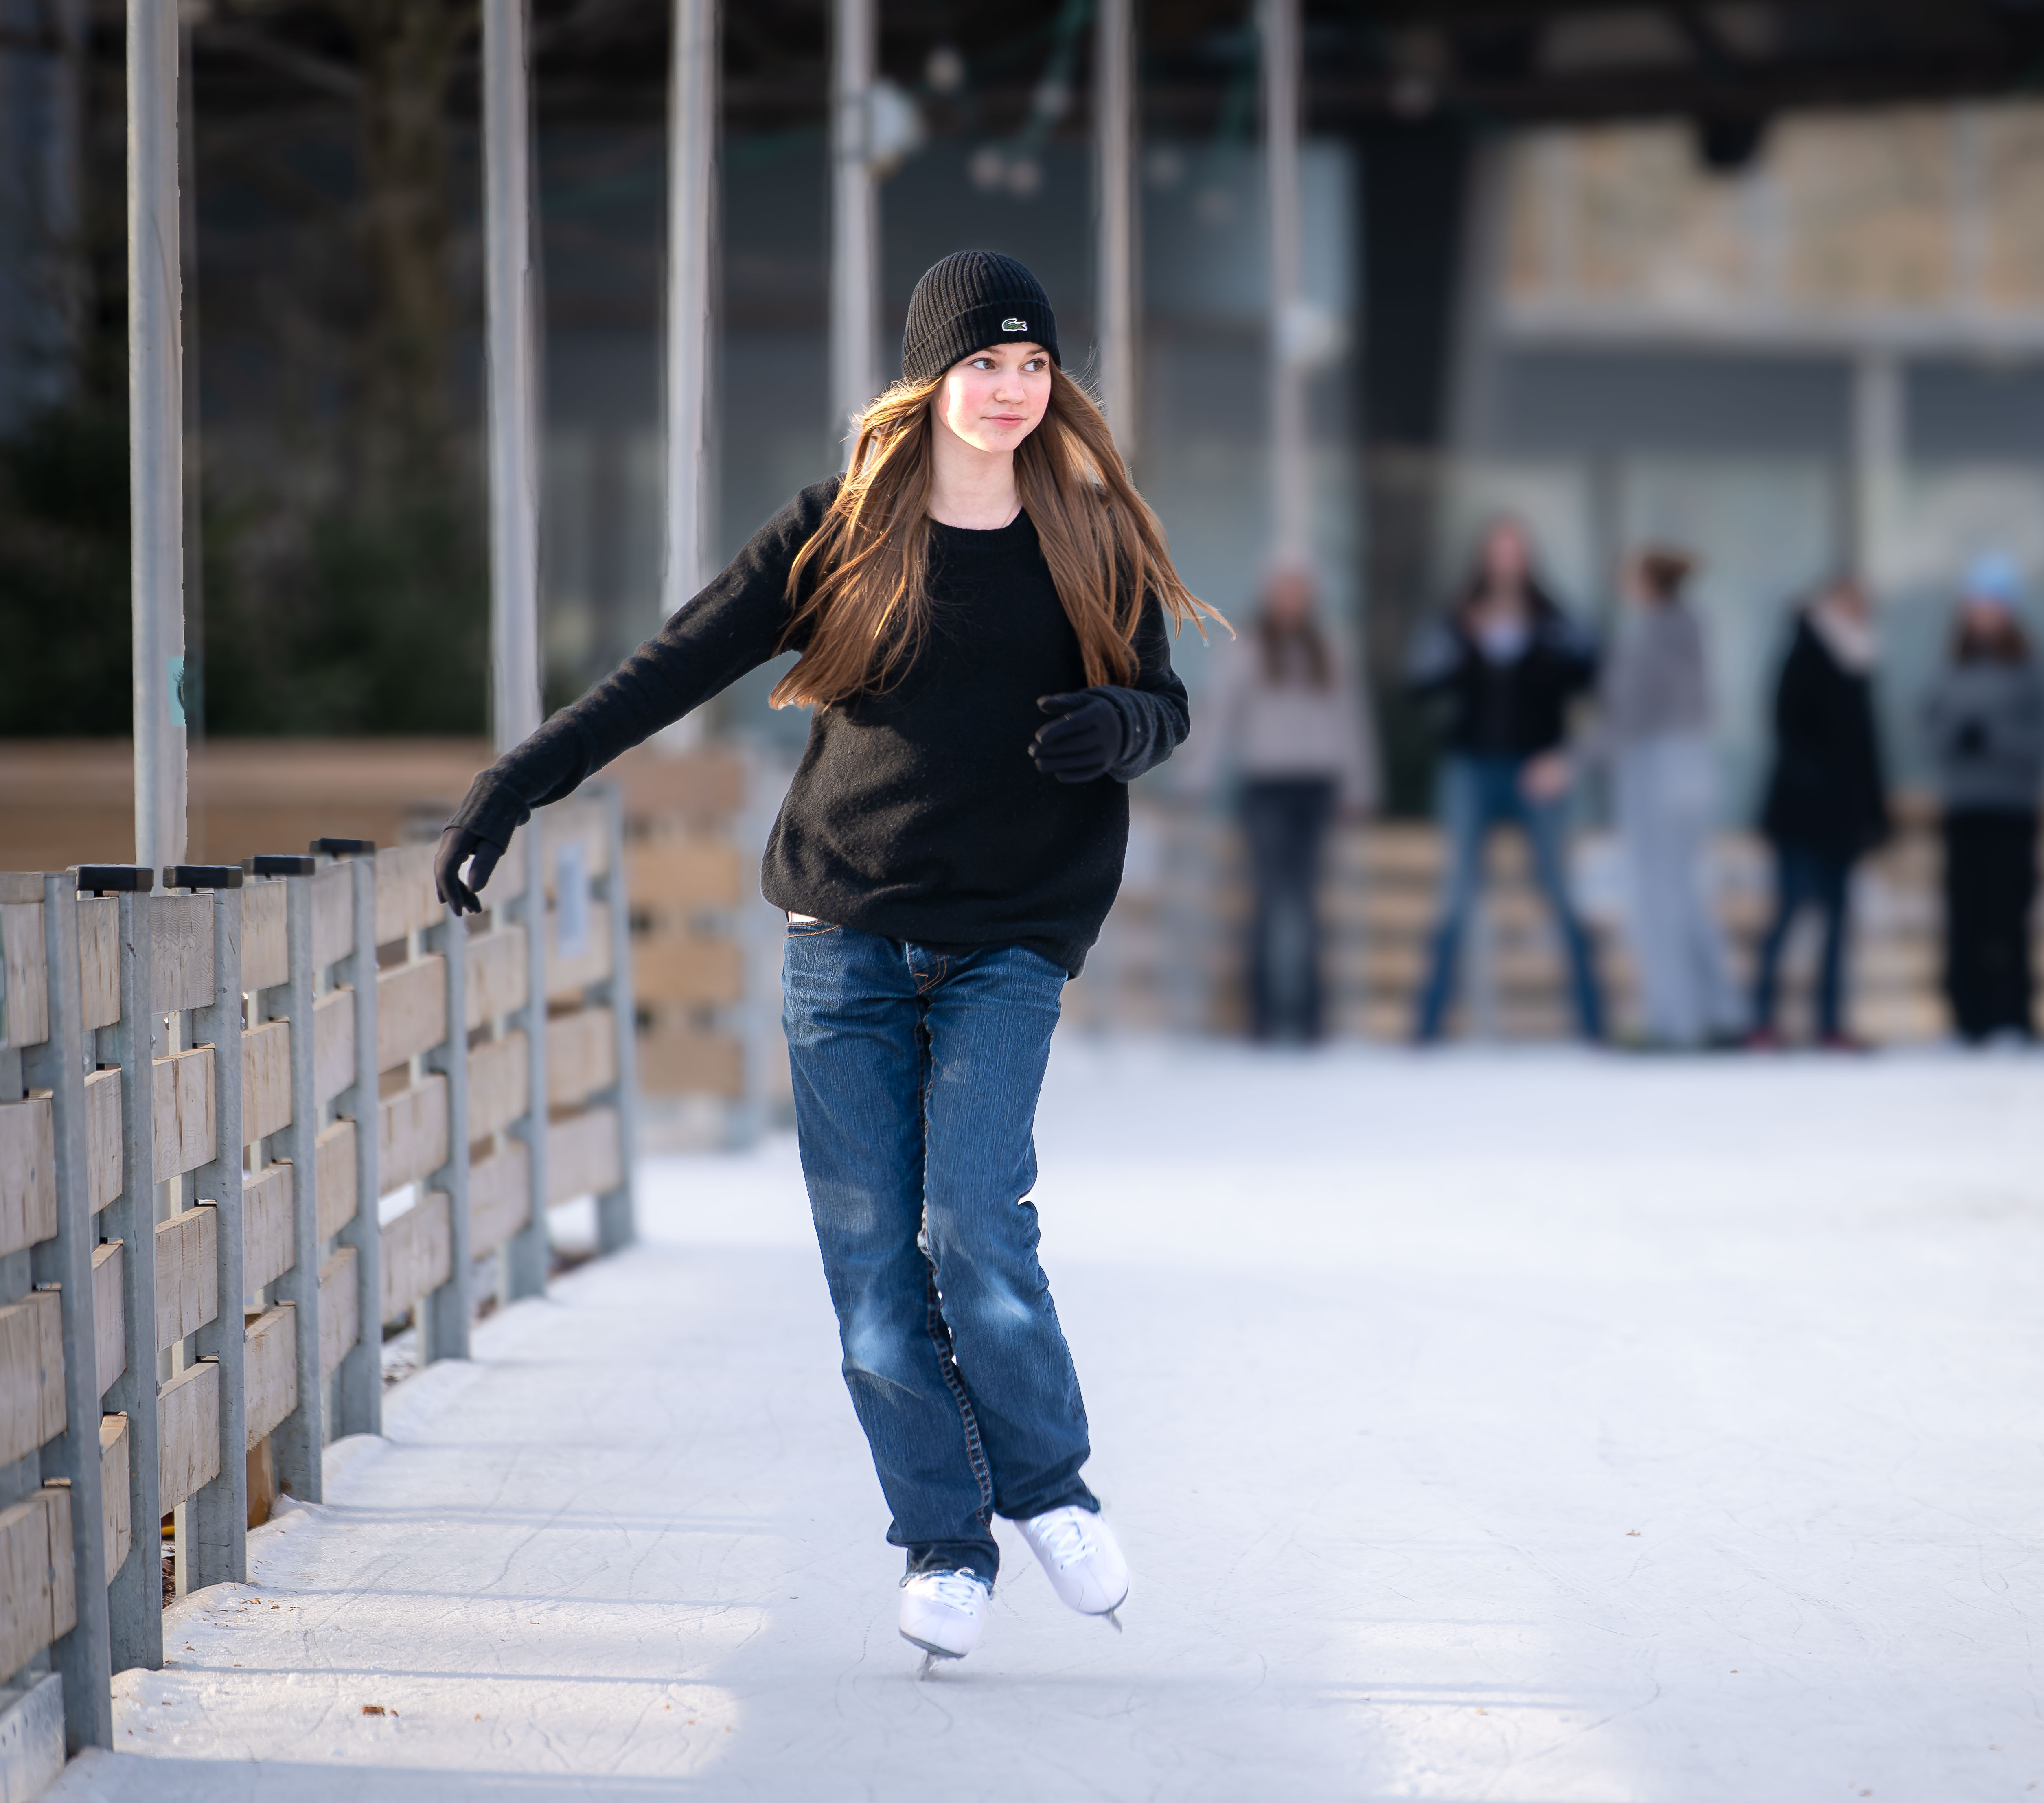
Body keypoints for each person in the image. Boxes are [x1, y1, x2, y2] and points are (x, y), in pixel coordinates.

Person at [427, 251, 1222, 1669]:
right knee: (870, 1268)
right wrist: (518, 782)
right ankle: (944, 1539)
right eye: (984, 363)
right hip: (844, 936)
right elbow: (670, 666)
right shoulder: (840, 529)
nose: (1011, 389)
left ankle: (1045, 1482)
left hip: (1009, 940)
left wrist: (1125, 730)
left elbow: (1163, 704)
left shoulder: (1090, 533)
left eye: (1032, 364)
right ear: (929, 376)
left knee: (972, 1219)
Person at [1406, 518, 1604, 1042]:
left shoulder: (1554, 618)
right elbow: (1420, 686)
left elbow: (1594, 676)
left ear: (1528, 557)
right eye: (1499, 549)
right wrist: (1461, 651)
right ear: (1484, 556)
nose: (1507, 560)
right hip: (1470, 768)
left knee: (1561, 894)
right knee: (1455, 898)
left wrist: (1564, 758)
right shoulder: (1454, 618)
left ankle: (1594, 1026)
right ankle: (1425, 1032)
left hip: (1537, 771)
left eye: (1515, 550)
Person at [1178, 564, 1378, 1043]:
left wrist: (1360, 785)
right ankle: (1262, 1018)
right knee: (1267, 902)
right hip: (1265, 786)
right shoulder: (1246, 648)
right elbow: (1220, 716)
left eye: (1298, 591)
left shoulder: (1329, 649)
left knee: (1308, 904)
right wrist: (1197, 777)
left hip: (1316, 787)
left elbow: (1352, 719)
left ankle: (1310, 1019)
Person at [1594, 546, 1742, 1049]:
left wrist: (1571, 759)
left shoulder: (1654, 633)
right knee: (1687, 893)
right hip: (1693, 765)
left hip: (1655, 766)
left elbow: (1632, 716)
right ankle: (1723, 1012)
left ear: (1649, 582)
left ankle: (1672, 1022)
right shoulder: (1691, 628)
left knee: (1658, 899)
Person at [1748, 575, 1890, 1051]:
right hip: (1802, 816)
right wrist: (1817, 780)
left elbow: (1868, 745)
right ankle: (1762, 1020)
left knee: (1836, 923)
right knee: (1789, 915)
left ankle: (1829, 1022)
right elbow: (1786, 724)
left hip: (1844, 819)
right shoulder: (1806, 650)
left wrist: (1875, 811)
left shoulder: (1861, 657)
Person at [1922, 555, 2044, 1043]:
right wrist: (1956, 738)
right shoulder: (1950, 666)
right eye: (1978, 607)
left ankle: (2012, 1015)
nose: (1985, 617)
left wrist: (1998, 739)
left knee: (2009, 916)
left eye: (1994, 607)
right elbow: (1926, 727)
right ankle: (1967, 1018)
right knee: (1964, 917)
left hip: (2013, 809)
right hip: (1964, 809)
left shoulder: (2029, 667)